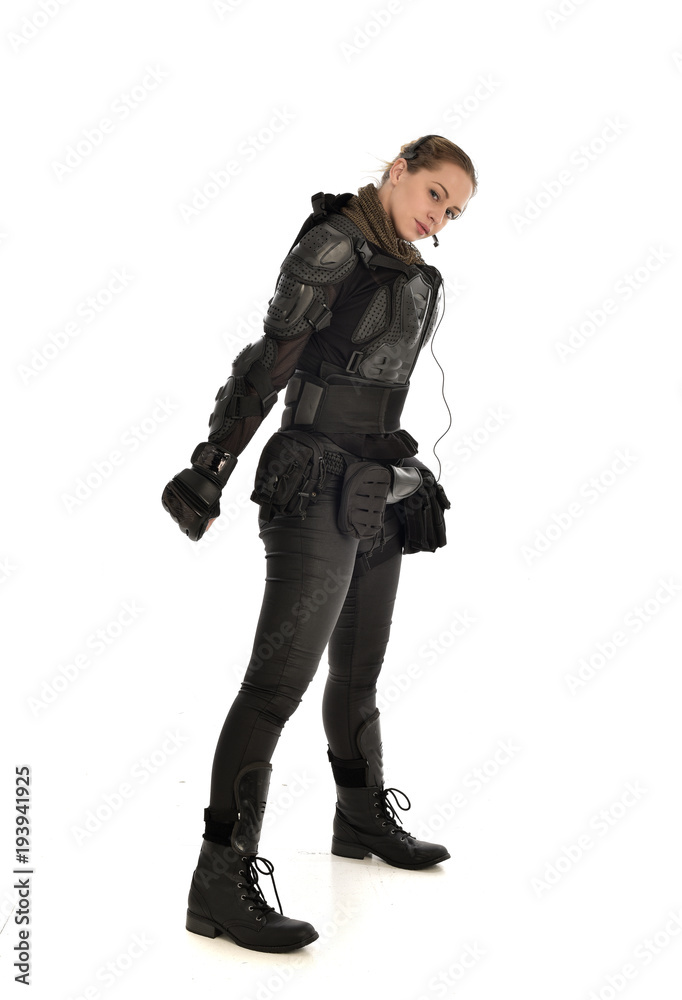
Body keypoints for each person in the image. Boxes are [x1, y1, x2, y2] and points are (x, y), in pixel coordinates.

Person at [162, 134, 478, 953]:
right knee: (275, 687)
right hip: (311, 484)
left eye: (455, 212)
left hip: (375, 481)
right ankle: (219, 881)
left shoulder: (405, 263)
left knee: (361, 665)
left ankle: (359, 815)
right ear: (400, 165)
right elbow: (270, 360)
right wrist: (213, 464)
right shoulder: (335, 241)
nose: (440, 219)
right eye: (436, 194)